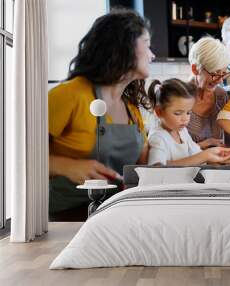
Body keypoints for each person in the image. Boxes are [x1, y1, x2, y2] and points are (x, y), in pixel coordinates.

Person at [48, 9, 155, 218]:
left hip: (115, 213)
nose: (152, 55)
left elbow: (142, 165)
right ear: (123, 45)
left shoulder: (131, 108)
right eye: (147, 43)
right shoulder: (70, 95)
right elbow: (18, 157)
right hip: (66, 217)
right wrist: (67, 166)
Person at [147, 78, 230, 166]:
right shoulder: (158, 137)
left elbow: (196, 156)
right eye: (178, 113)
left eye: (188, 112)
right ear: (159, 112)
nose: (185, 118)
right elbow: (157, 168)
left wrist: (216, 157)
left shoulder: (182, 132)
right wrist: (206, 156)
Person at [187, 36, 230, 149]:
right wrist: (207, 143)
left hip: (217, 166)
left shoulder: (221, 96)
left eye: (223, 73)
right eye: (215, 74)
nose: (220, 80)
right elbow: (171, 151)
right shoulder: (177, 97)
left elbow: (229, 141)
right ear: (195, 69)